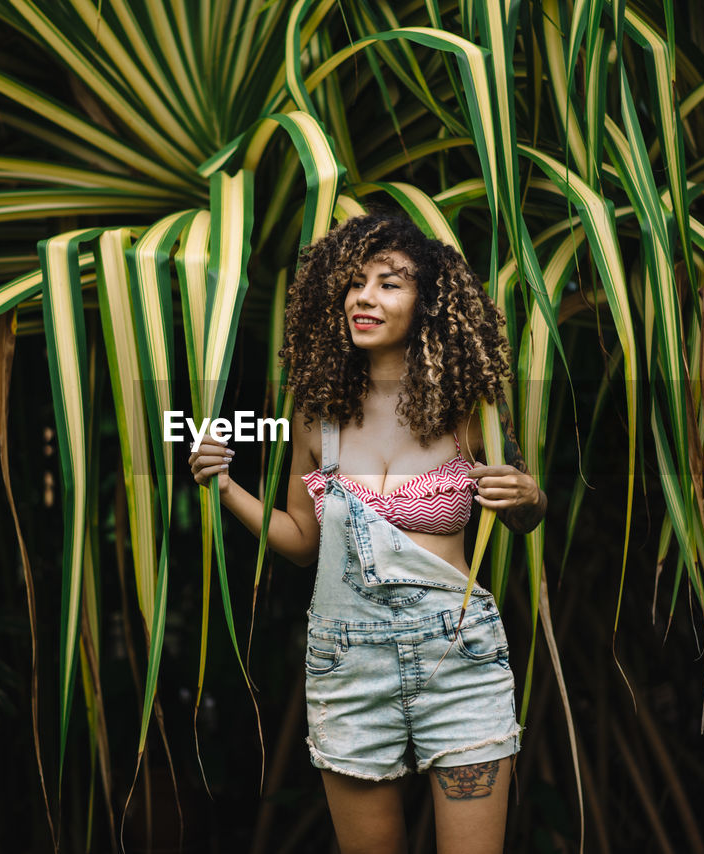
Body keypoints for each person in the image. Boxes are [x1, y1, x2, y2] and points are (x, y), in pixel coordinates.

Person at [189, 214, 547, 854]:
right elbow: (303, 542)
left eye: (389, 284)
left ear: (428, 303)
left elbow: (520, 510)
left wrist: (530, 494)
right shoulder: (315, 416)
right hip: (346, 666)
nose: (365, 298)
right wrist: (225, 487)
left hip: (458, 658)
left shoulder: (473, 410)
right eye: (355, 284)